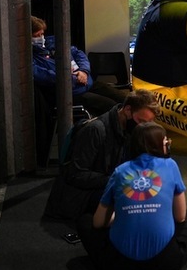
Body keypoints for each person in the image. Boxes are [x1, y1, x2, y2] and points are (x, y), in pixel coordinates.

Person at [77, 122, 187, 270]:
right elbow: (181, 216)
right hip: (165, 267)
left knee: (85, 221)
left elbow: (98, 223)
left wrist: (119, 216)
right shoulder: (170, 165)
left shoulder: (119, 172)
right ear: (160, 145)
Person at [43, 89, 160, 221]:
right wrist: (117, 179)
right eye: (142, 121)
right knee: (131, 204)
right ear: (127, 110)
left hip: (111, 184)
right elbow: (76, 174)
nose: (144, 127)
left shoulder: (130, 129)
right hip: (85, 193)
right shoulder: (95, 130)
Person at [32, 16, 127, 117]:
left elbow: (79, 54)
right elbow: (44, 76)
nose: (41, 38)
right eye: (36, 35)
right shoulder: (31, 58)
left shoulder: (55, 43)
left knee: (126, 99)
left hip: (87, 82)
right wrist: (74, 79)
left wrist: (84, 71)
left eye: (42, 34)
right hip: (71, 93)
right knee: (112, 107)